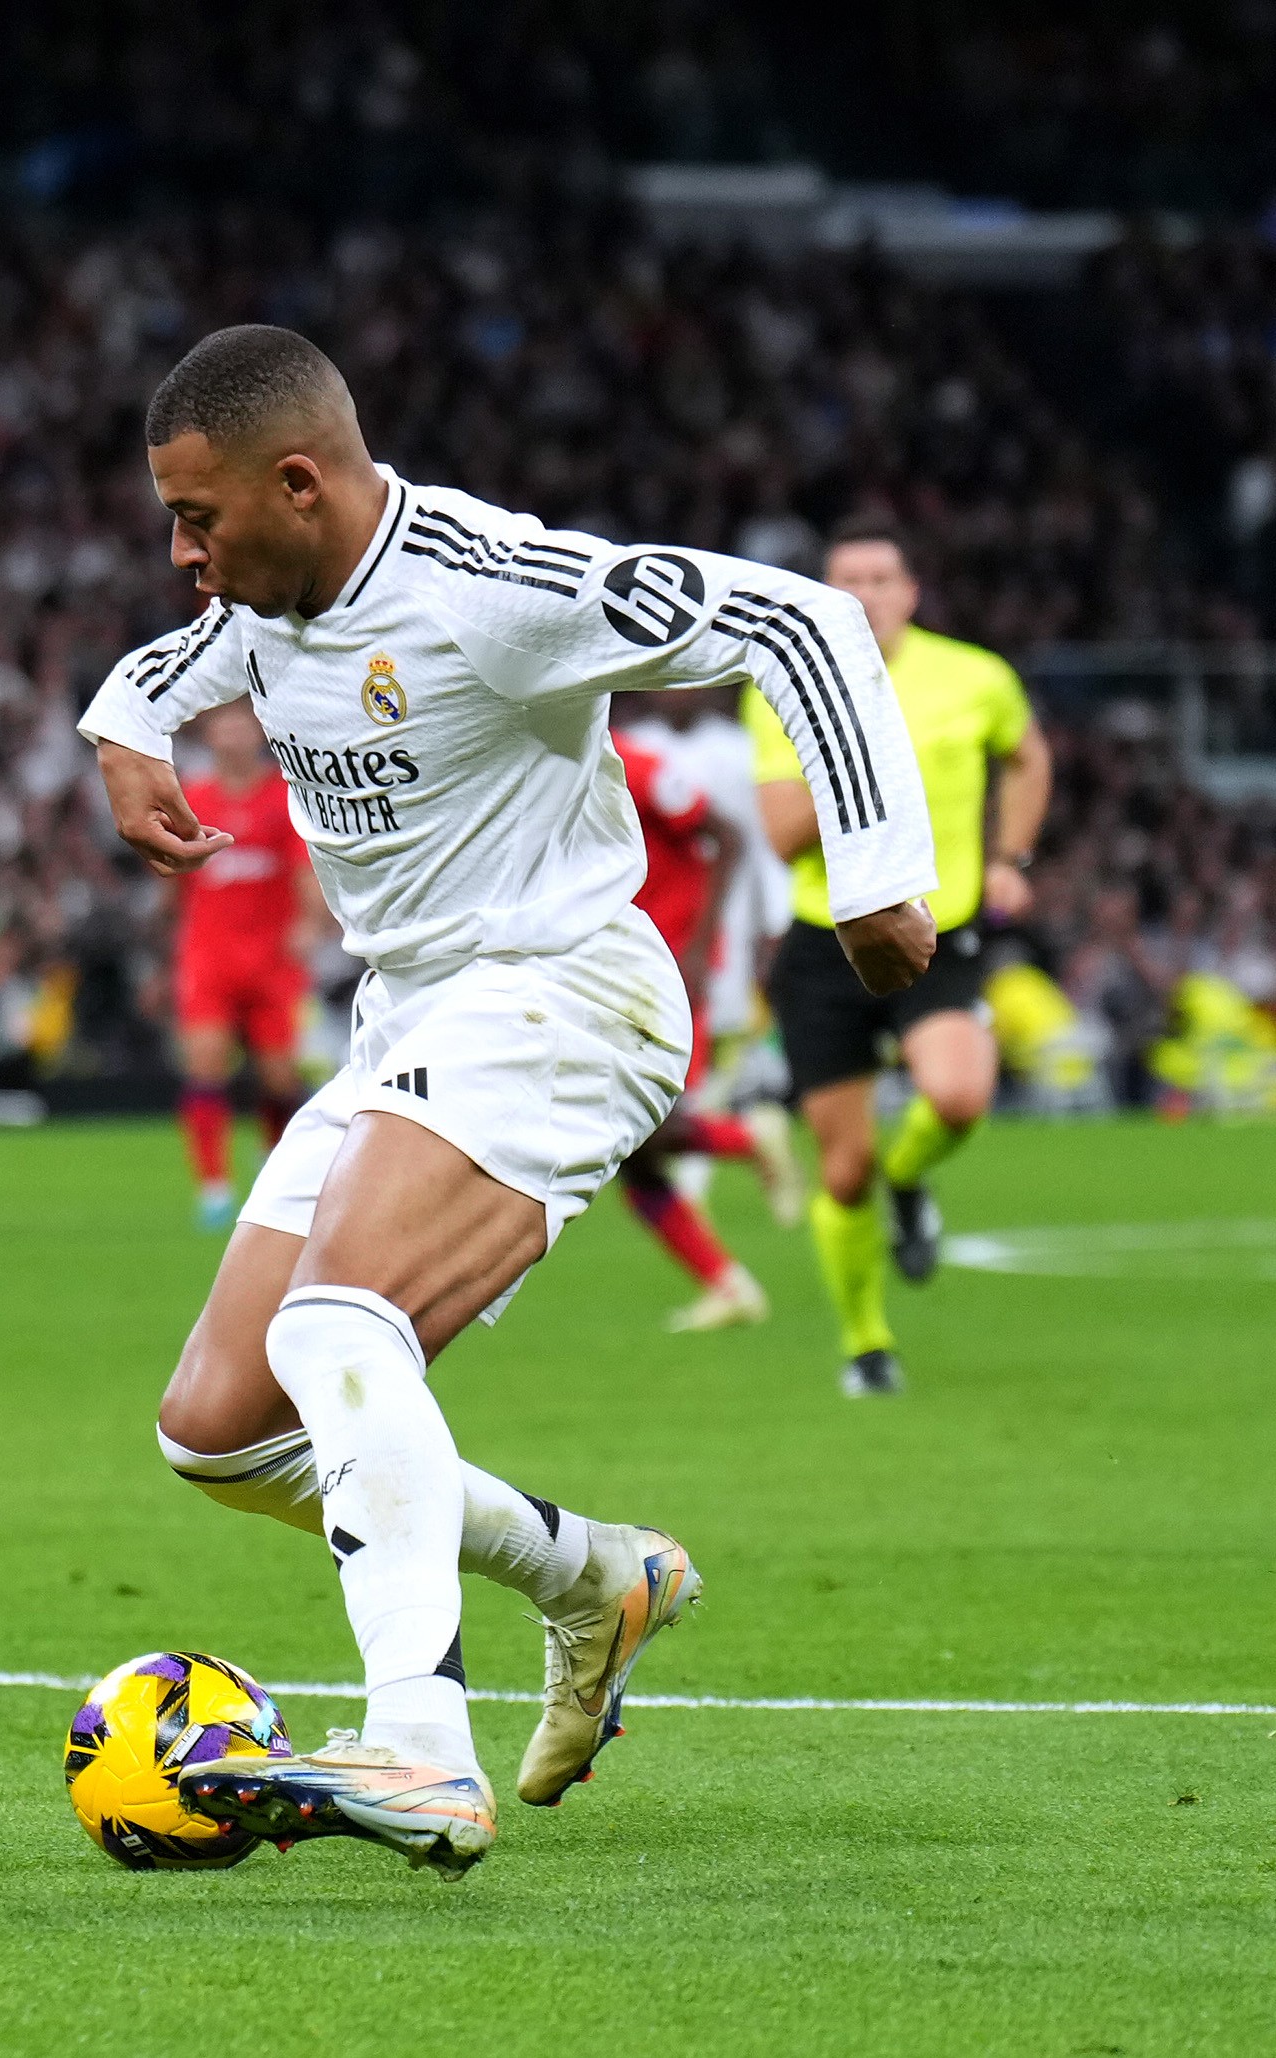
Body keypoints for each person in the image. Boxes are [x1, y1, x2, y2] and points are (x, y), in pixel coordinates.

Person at [80, 327, 935, 1876]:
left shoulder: (497, 587)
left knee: (339, 1328)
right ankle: (591, 1575)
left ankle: (413, 1742)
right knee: (214, 1431)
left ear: (300, 482)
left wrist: (879, 876)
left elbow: (800, 623)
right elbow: (177, 662)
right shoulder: (266, 598)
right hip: (406, 1016)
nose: (179, 553)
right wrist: (120, 733)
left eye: (196, 519)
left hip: (562, 989)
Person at [755, 518, 1048, 1397]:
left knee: (957, 1096)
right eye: (849, 580)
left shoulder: (975, 676)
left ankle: (911, 1179)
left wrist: (1011, 858)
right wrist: (852, 748)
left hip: (937, 924)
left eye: (884, 578)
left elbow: (1028, 757)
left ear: (912, 592)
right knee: (841, 1169)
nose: (867, 595)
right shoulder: (786, 684)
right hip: (826, 940)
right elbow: (779, 834)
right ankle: (867, 1345)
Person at [610, 710, 801, 1331]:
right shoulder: (556, 770)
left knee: (640, 1135)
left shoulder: (632, 766)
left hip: (667, 968)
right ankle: (728, 1286)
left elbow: (729, 835)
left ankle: (747, 1138)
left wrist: (698, 947)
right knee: (632, 1154)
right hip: (617, 968)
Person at [171, 699, 322, 1231]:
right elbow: (174, 879)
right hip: (209, 956)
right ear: (209, 736)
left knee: (279, 1078)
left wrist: (309, 926)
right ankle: (212, 1188)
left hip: (273, 959)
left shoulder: (285, 797)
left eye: (242, 726)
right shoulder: (194, 799)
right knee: (205, 1063)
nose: (233, 736)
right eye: (223, 727)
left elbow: (307, 871)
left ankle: (274, 1166)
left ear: (257, 732)